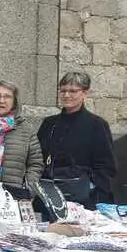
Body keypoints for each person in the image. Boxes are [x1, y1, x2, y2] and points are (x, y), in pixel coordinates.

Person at [37, 71, 116, 208]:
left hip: (84, 198)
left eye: (73, 91)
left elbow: (106, 166)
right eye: (63, 91)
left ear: (85, 93)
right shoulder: (49, 124)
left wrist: (93, 191)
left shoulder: (96, 125)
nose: (67, 95)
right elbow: (38, 157)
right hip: (50, 196)